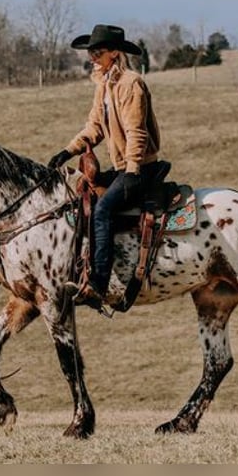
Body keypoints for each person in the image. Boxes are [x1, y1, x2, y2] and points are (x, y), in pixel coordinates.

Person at [48, 24, 161, 310]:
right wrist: (67, 151)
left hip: (139, 168)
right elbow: (94, 126)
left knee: (103, 209)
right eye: (91, 52)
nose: (92, 57)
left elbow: (137, 131)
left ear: (114, 52)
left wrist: (134, 166)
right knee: (82, 193)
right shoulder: (104, 85)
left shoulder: (130, 83)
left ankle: (98, 284)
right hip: (123, 167)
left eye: (98, 52)